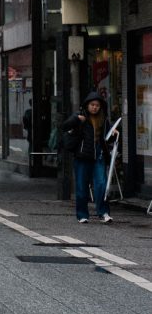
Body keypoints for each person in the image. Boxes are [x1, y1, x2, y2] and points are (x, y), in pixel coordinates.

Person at [63, 91, 118, 224]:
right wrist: (77, 119)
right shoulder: (80, 116)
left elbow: (107, 135)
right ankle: (82, 215)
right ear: (87, 105)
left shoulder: (103, 119)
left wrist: (114, 132)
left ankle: (103, 212)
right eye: (92, 105)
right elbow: (65, 126)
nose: (95, 107)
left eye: (97, 105)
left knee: (101, 185)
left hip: (98, 156)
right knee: (82, 187)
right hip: (82, 156)